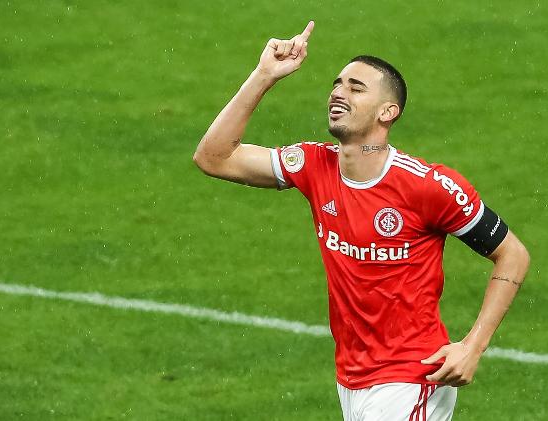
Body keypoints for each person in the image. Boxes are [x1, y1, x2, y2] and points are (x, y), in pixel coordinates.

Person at [193, 21, 530, 421]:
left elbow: (513, 254)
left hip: (411, 376)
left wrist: (473, 346)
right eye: (337, 84)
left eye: (356, 87)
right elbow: (213, 157)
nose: (338, 92)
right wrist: (264, 75)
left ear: (389, 111)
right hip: (351, 378)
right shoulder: (314, 166)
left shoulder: (427, 186)